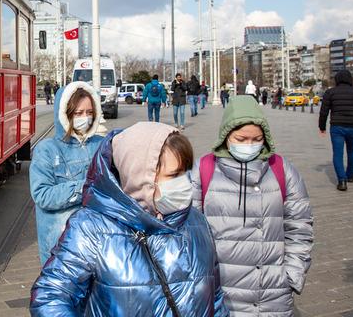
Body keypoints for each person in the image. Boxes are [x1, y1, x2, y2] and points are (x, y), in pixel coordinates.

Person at [31, 123, 228, 316]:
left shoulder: (196, 221)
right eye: (174, 175)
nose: (184, 183)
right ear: (140, 177)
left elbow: (215, 298)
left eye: (186, 172)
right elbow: (50, 297)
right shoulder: (91, 227)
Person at [191, 95, 314, 314]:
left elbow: (300, 227)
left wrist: (292, 275)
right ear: (226, 135)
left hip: (272, 294)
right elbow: (189, 233)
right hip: (219, 293)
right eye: (241, 139)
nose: (249, 145)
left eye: (256, 139)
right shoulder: (203, 170)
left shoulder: (282, 170)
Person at [29, 81, 104, 265]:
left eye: (89, 112)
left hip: (99, 246)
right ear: (65, 114)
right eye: (78, 113)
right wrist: (86, 187)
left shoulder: (102, 145)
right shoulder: (47, 150)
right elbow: (43, 195)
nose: (84, 118)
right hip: (62, 250)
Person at [318, 70, 353, 191]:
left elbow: (323, 112)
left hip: (337, 127)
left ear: (336, 80)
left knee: (338, 153)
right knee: (352, 151)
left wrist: (322, 127)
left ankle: (342, 181)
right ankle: (350, 175)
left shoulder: (330, 93)